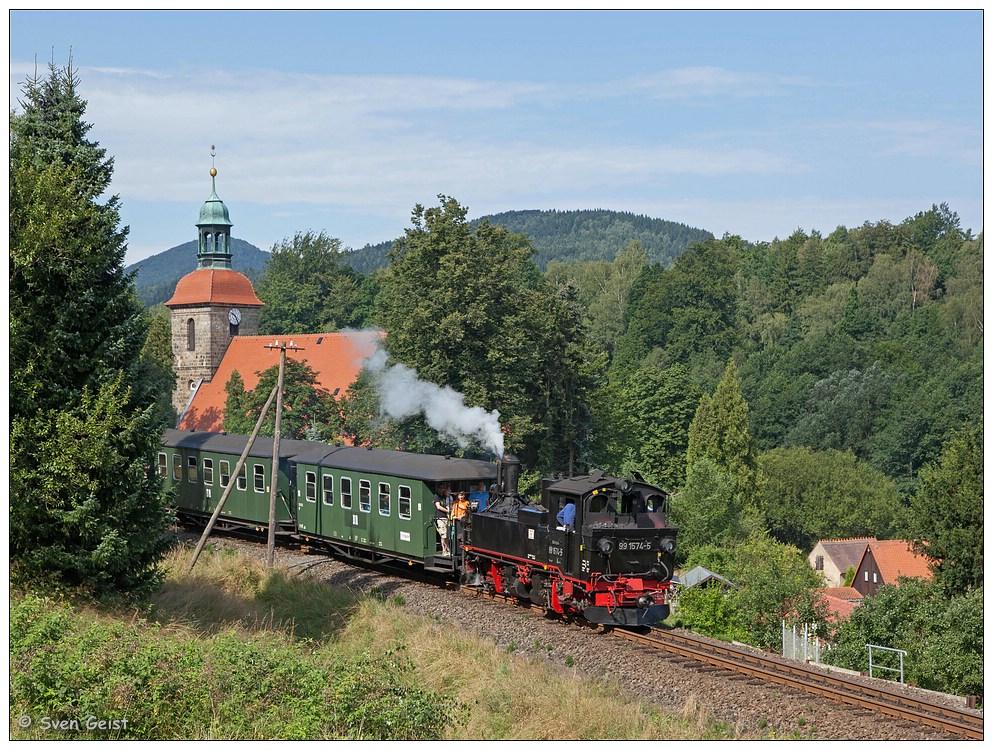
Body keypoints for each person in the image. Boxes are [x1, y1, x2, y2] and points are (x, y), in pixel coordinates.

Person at [434, 486, 453, 556]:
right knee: (443, 535)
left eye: (443, 488)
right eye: (441, 488)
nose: (442, 490)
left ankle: (448, 549)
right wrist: (448, 511)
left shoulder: (445, 497)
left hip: (447, 517)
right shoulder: (436, 496)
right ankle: (444, 550)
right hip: (441, 517)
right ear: (438, 489)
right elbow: (438, 506)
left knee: (447, 535)